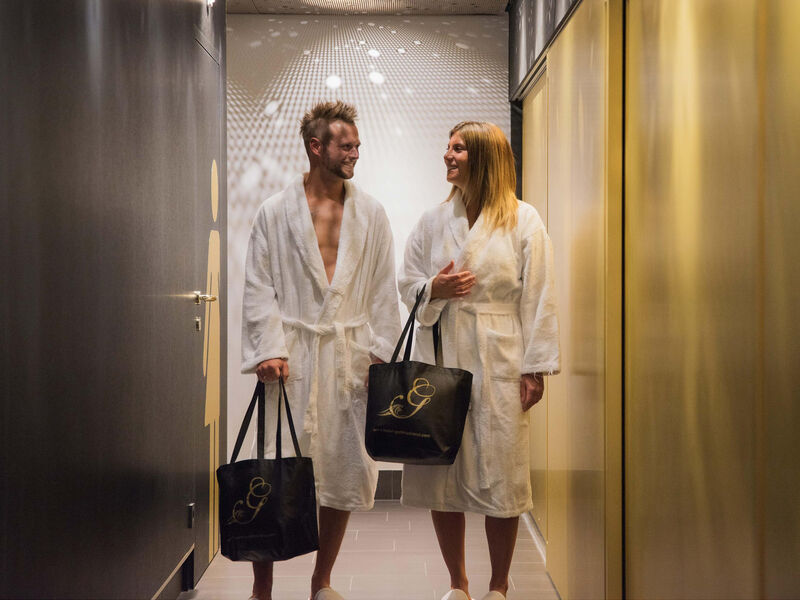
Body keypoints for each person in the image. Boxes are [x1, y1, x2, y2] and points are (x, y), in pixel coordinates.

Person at [241, 100, 401, 600]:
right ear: (316, 147)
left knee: (343, 470)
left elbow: (384, 288)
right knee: (272, 469)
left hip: (347, 357)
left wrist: (381, 354)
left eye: (357, 145)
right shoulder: (276, 212)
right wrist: (268, 348)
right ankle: (261, 589)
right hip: (291, 359)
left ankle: (322, 580)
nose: (355, 153)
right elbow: (258, 285)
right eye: (346, 145)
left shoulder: (371, 213)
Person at [398, 121, 560, 600]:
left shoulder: (523, 220)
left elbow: (540, 294)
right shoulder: (432, 221)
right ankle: (458, 583)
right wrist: (434, 289)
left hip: (499, 356)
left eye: (458, 148)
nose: (447, 155)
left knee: (502, 474)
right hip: (443, 354)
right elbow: (407, 282)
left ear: (485, 157)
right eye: (447, 147)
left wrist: (535, 367)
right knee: (441, 473)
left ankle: (498, 586)